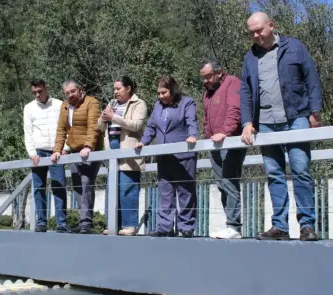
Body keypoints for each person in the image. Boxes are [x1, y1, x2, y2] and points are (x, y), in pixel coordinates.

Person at [240, 12, 322, 241]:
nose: (256, 35)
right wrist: (247, 123)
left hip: (296, 117)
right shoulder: (250, 57)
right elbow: (245, 92)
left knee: (300, 170)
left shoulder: (294, 47)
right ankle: (280, 227)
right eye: (252, 32)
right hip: (265, 124)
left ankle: (307, 226)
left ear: (271, 26)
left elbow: (311, 78)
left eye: (259, 30)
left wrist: (315, 112)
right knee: (274, 174)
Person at [135, 76, 198, 238]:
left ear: (173, 90)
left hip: (184, 156)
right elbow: (151, 127)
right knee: (165, 193)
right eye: (158, 93)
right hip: (164, 157)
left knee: (186, 192)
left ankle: (186, 226)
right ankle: (165, 227)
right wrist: (143, 142)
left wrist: (192, 136)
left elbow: (191, 121)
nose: (160, 96)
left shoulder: (187, 102)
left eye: (164, 92)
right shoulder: (157, 106)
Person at [199, 58, 246, 239]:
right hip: (214, 145)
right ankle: (230, 225)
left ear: (219, 72)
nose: (205, 81)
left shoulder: (232, 83)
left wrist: (225, 133)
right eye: (203, 78)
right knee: (221, 184)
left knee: (229, 181)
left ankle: (234, 226)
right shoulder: (207, 92)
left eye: (208, 77)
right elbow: (206, 118)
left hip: (230, 142)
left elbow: (235, 110)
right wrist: (207, 135)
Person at [51, 80, 103, 234]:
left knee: (87, 183)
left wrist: (88, 146)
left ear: (80, 90)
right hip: (74, 152)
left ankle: (86, 222)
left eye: (72, 91)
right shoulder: (65, 106)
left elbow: (93, 126)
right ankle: (83, 220)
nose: (70, 95)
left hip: (90, 151)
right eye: (67, 93)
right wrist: (57, 150)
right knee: (77, 186)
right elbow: (61, 130)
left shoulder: (91, 102)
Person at [98, 77, 148, 236]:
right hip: (112, 148)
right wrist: (103, 117)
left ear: (128, 88)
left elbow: (136, 125)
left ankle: (129, 226)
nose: (115, 92)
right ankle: (112, 224)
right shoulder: (112, 104)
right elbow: (100, 127)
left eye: (118, 88)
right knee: (111, 187)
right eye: (114, 89)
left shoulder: (139, 104)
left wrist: (113, 117)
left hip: (128, 149)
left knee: (128, 187)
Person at [23, 79, 69, 233]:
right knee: (38, 188)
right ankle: (41, 222)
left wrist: (65, 147)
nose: (37, 94)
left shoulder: (59, 104)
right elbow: (27, 132)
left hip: (56, 150)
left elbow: (68, 127)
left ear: (45, 88)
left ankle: (61, 223)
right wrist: (32, 153)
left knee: (59, 185)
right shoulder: (29, 108)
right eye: (34, 92)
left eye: (40, 91)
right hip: (38, 152)